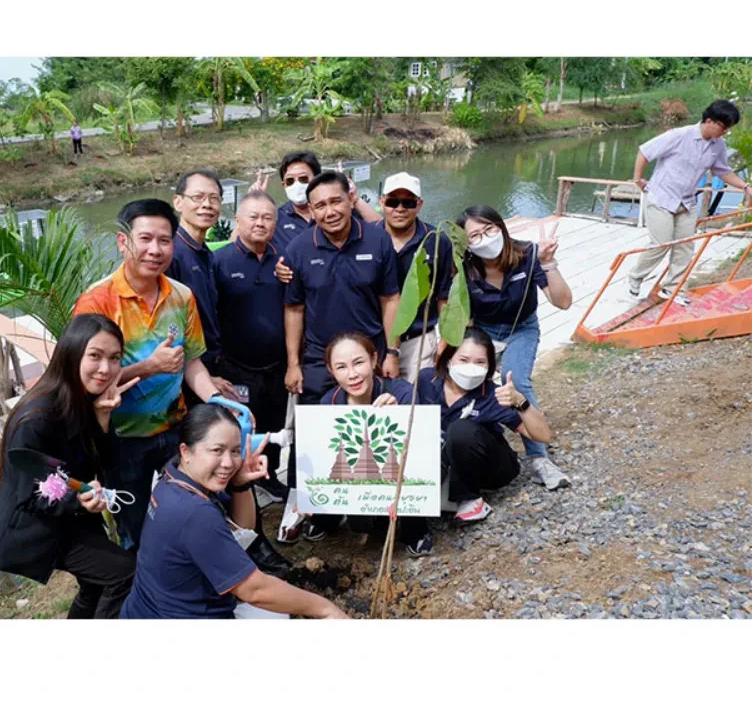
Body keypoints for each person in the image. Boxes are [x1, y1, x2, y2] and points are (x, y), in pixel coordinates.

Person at [72, 198, 226, 550]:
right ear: (122, 242)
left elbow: (192, 363)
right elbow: (84, 379)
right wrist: (148, 367)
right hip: (122, 437)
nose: (155, 250)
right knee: (135, 524)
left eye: (165, 240)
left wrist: (216, 400)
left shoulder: (182, 297)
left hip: (176, 427)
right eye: (145, 239)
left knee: (193, 507)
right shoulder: (97, 302)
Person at [119, 404, 348, 619]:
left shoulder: (173, 475)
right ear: (186, 451)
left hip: (145, 610)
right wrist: (325, 608)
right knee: (277, 615)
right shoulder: (194, 512)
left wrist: (240, 484)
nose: (228, 463)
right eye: (217, 450)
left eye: (235, 451)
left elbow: (243, 530)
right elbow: (255, 590)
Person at [0, 314, 139, 619]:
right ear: (71, 354)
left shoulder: (86, 400)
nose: (106, 369)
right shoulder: (37, 419)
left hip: (66, 517)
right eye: (94, 356)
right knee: (124, 573)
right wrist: (78, 499)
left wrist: (103, 419)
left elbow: (103, 465)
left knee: (96, 585)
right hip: (29, 528)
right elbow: (31, 494)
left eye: (114, 358)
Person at [458, 205, 572, 491]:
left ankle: (539, 459)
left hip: (521, 327)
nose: (484, 239)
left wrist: (548, 263)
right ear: (466, 243)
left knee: (516, 381)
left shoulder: (528, 254)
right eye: (475, 236)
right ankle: (475, 449)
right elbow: (460, 313)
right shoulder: (463, 266)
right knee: (468, 381)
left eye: (490, 230)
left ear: (502, 228)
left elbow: (563, 302)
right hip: (482, 330)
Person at [284, 170, 401, 406]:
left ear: (350, 199)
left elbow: (390, 299)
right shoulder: (298, 249)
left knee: (373, 425)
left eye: (336, 201)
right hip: (319, 356)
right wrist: (293, 364)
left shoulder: (378, 240)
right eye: (320, 205)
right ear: (312, 210)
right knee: (319, 428)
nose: (330, 212)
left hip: (369, 352)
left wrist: (391, 353)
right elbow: (294, 309)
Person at [417, 327, 552, 525]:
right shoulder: (426, 380)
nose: (471, 367)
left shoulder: (492, 395)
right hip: (448, 461)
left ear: (489, 367)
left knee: (460, 429)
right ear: (449, 359)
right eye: (463, 360)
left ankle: (471, 500)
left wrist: (520, 401)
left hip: (492, 466)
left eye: (480, 362)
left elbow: (543, 435)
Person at [314, 331, 432, 555]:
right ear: (331, 370)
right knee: (358, 521)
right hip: (357, 477)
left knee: (403, 470)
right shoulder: (328, 402)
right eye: (341, 367)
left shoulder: (402, 393)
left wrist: (399, 416)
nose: (352, 374)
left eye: (358, 363)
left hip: (397, 475)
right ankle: (325, 520)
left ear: (374, 359)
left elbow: (423, 448)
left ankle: (416, 531)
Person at [628, 100, 751, 306]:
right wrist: (637, 179)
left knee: (685, 247)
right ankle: (636, 276)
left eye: (727, 128)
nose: (724, 132)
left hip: (686, 201)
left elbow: (722, 170)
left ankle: (673, 288)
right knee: (661, 244)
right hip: (661, 197)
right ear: (709, 121)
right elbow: (645, 152)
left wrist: (745, 187)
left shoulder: (717, 146)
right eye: (723, 126)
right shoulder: (679, 135)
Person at [212, 190, 290, 504]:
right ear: (238, 220)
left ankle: (267, 476)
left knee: (271, 425)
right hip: (236, 366)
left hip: (277, 365)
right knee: (238, 426)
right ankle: (234, 485)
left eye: (267, 217)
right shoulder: (219, 262)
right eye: (253, 217)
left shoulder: (284, 260)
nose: (260, 223)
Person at [373, 171, 453, 382]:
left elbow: (444, 296)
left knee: (418, 404)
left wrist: (444, 340)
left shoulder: (436, 241)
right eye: (392, 201)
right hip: (374, 340)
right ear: (382, 202)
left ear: (419, 204)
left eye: (408, 203)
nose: (399, 209)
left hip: (419, 340)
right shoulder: (369, 238)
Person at [165, 168, 236, 402]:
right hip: (186, 377)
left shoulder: (204, 253)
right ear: (178, 202)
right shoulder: (171, 254)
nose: (207, 204)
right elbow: (166, 328)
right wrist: (202, 377)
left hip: (210, 367)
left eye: (214, 198)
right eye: (198, 197)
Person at [247, 150, 382, 253]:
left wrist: (353, 197)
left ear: (316, 178)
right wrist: (252, 204)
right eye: (290, 181)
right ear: (284, 185)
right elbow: (239, 242)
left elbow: (380, 229)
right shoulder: (275, 218)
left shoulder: (339, 210)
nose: (297, 184)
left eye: (303, 179)